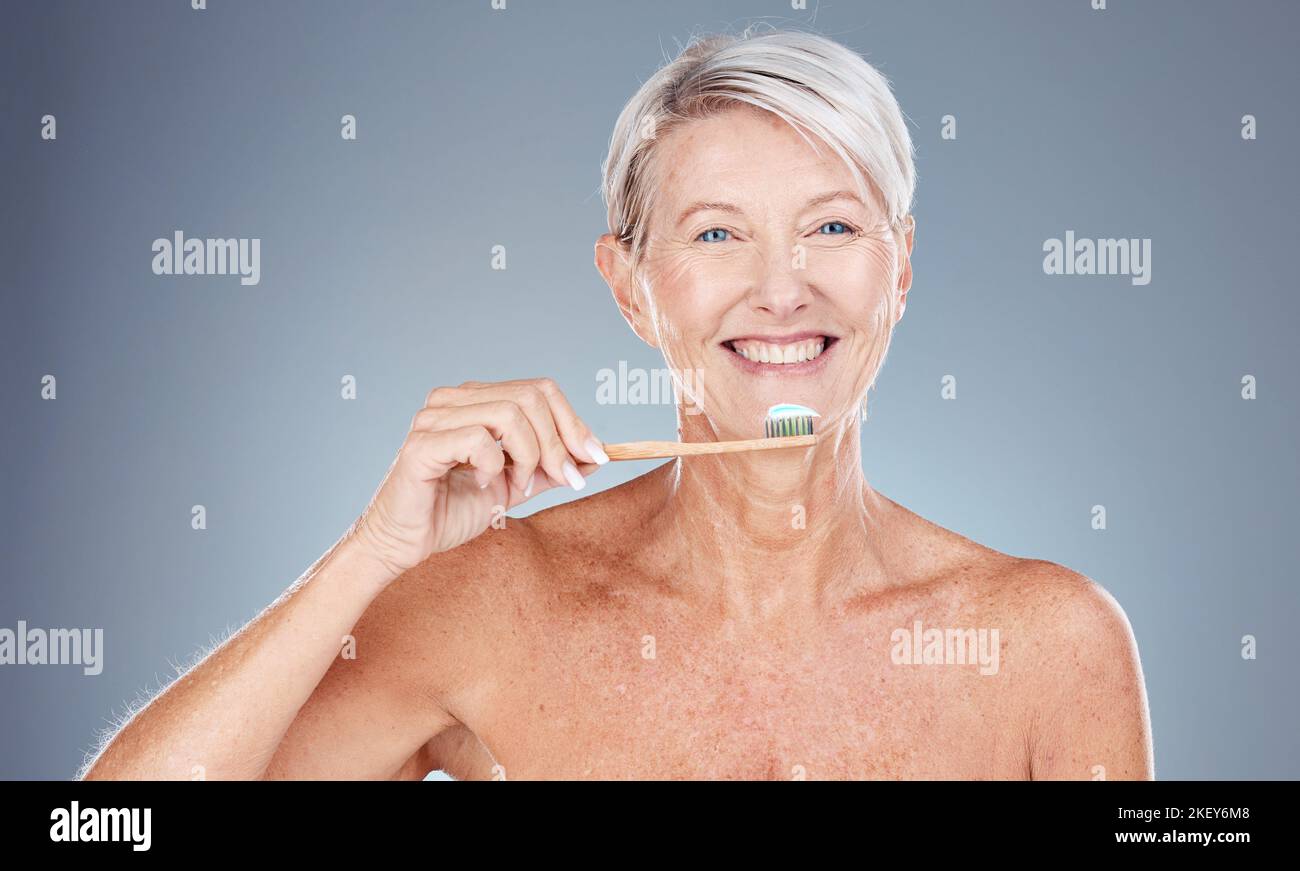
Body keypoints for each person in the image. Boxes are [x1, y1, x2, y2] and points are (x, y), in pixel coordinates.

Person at [81, 27, 1153, 781]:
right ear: (630, 286)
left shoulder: (1047, 643)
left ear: (901, 267)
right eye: (717, 234)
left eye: (831, 227)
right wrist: (369, 554)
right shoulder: (484, 608)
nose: (782, 289)